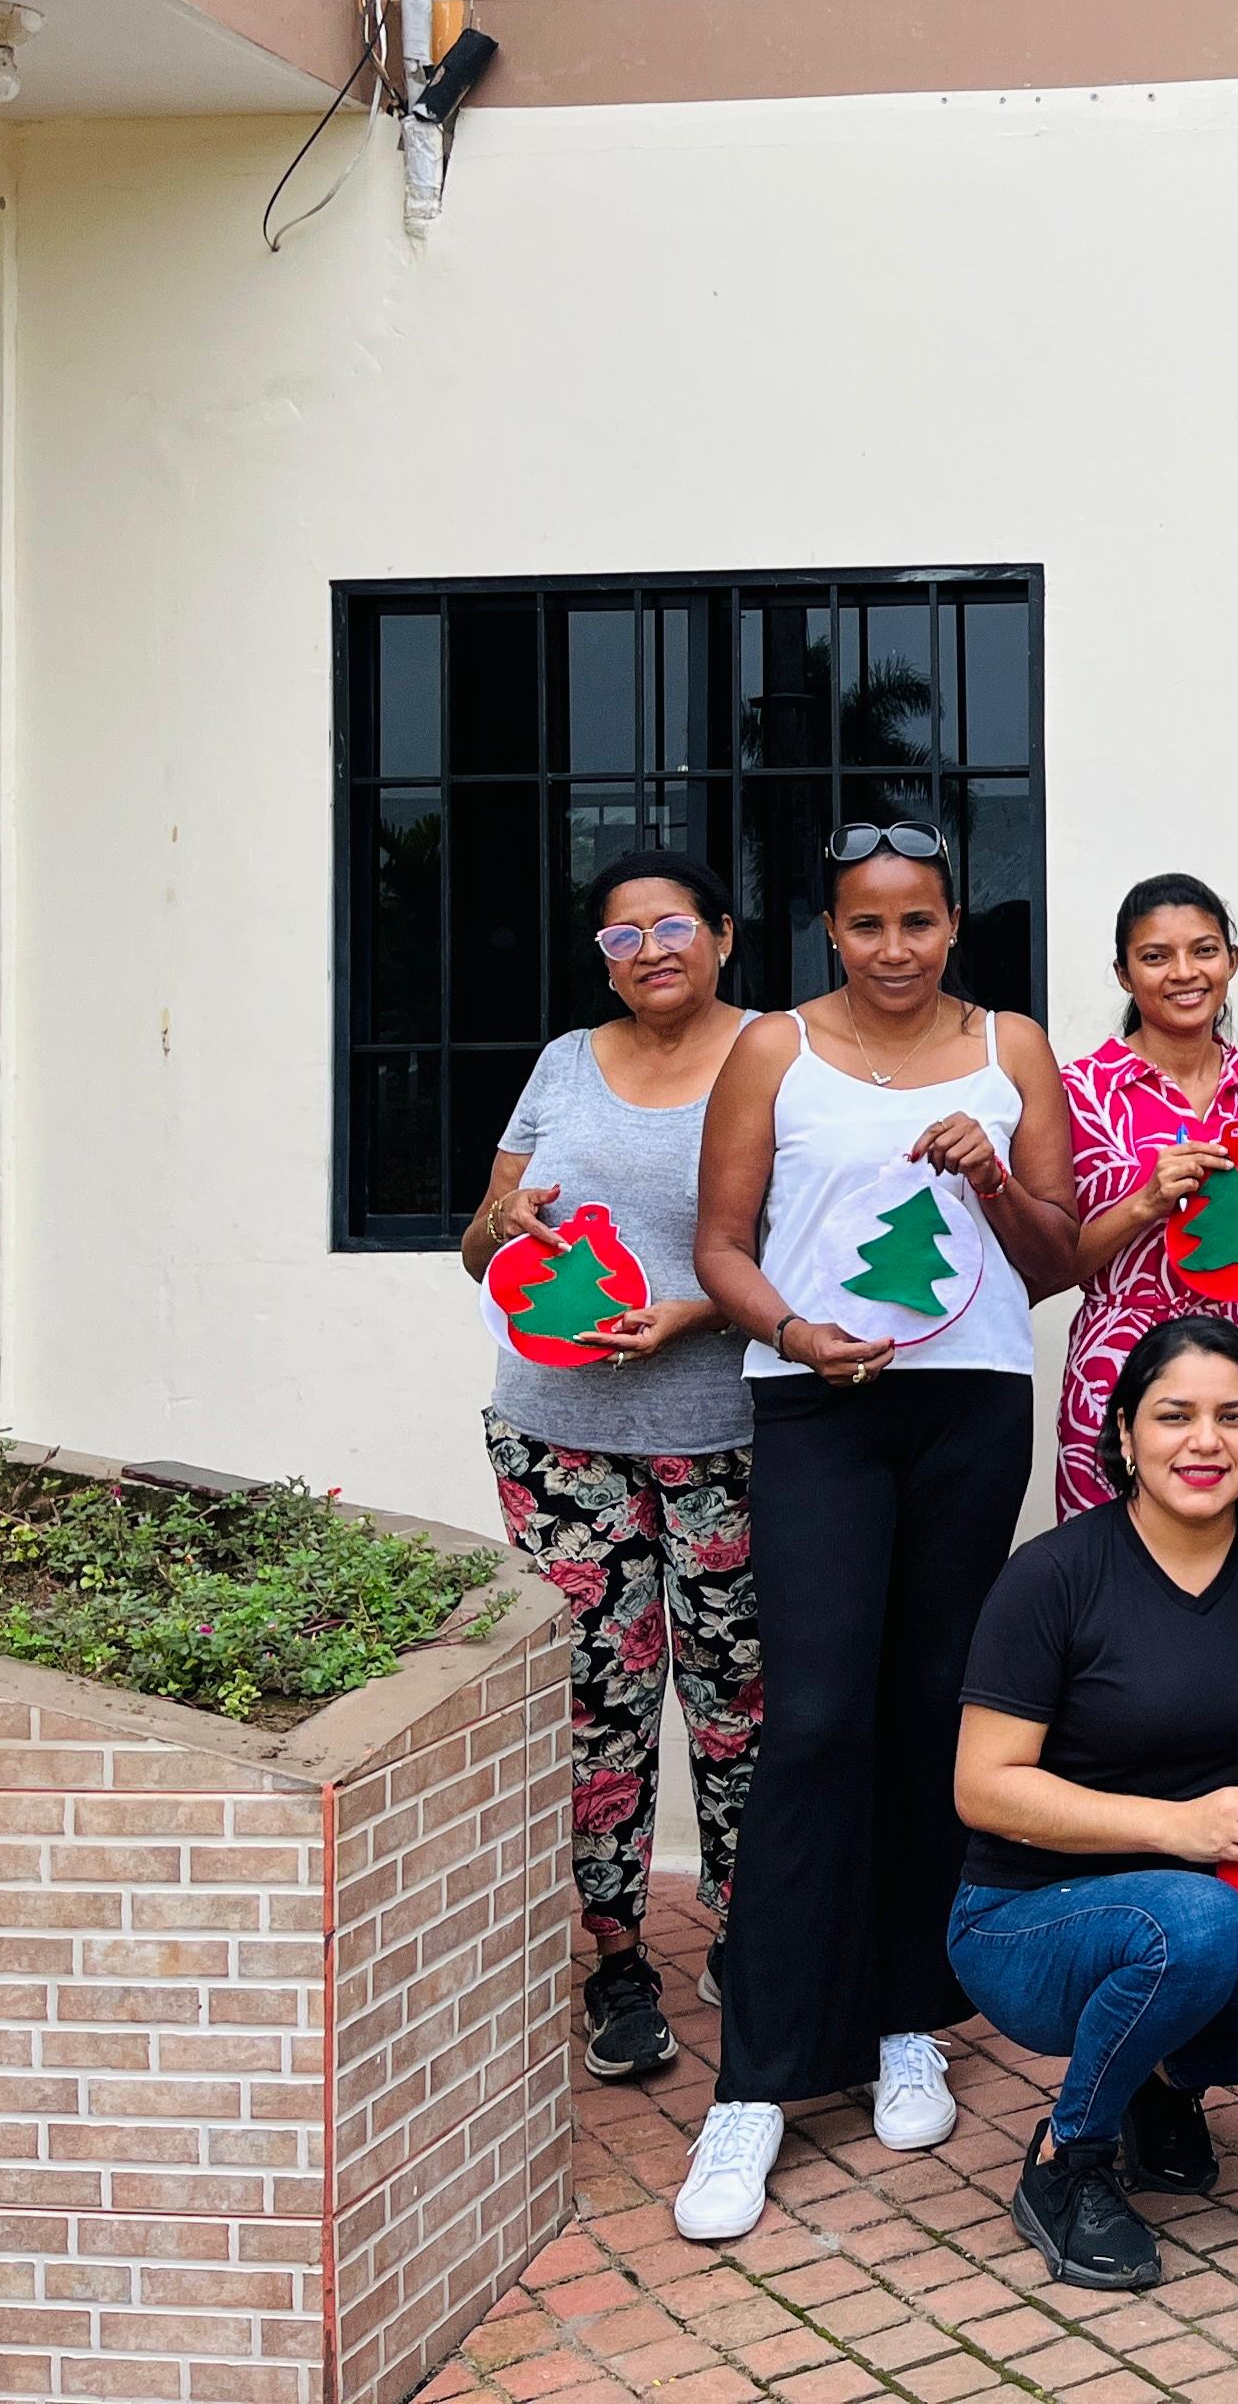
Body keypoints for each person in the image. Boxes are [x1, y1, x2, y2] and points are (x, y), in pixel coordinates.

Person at [677, 822, 1083, 2245]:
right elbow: (719, 1245)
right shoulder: (772, 1050)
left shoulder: (1012, 1048)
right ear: (831, 930)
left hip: (970, 1404)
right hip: (818, 1404)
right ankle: (758, 2081)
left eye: (918, 921)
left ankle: (912, 2015)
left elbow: (1058, 1259)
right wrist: (795, 1332)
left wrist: (994, 1174)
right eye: (867, 923)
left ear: (955, 924)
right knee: (814, 1724)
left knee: (930, 1711)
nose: (894, 948)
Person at [949, 1320, 1238, 2295]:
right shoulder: (1053, 1577)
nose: (1206, 1441)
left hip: (1223, 1918)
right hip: (1029, 1919)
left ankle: (1154, 2076)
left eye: (1233, 1417)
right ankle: (1066, 2163)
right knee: (1197, 1917)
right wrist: (1174, 1826)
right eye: (1175, 1416)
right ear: (1124, 1434)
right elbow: (983, 1788)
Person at [461, 850, 765, 2081]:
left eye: (673, 925)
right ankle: (617, 1962)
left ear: (723, 935)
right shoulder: (561, 1065)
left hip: (730, 1436)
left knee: (741, 1702)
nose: (649, 951)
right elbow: (479, 1244)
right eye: (621, 935)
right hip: (560, 1439)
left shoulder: (776, 1058)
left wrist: (697, 1312)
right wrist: (503, 1225)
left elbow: (806, 1251)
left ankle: (750, 1935)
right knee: (599, 1705)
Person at [1053, 874, 1238, 1518]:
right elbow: (1051, 1266)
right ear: (1123, 973)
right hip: (1121, 1366)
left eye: (1204, 950)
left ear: (1231, 961)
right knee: (1115, 1559)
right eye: (1156, 956)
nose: (1184, 973)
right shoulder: (1078, 1093)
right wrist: (1144, 1202)